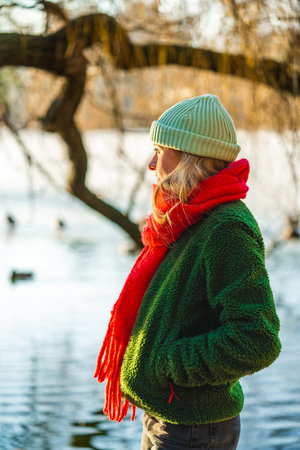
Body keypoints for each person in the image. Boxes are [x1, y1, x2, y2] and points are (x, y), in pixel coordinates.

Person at [94, 94, 281, 449]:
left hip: (193, 427)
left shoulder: (226, 228)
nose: (152, 163)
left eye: (160, 149)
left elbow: (257, 339)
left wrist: (171, 365)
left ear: (189, 157)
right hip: (167, 414)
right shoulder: (186, 218)